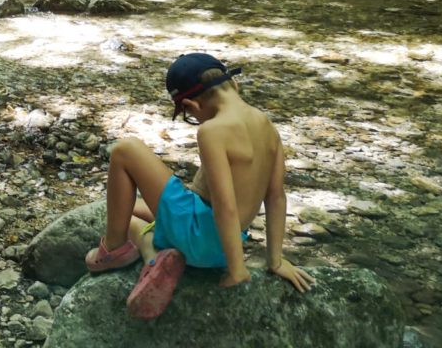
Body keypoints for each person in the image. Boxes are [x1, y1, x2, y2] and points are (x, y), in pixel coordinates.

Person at [84, 52, 315, 319]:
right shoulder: (266, 125)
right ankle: (156, 253)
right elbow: (276, 197)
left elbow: (224, 205)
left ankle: (119, 251)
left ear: (192, 106)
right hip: (225, 244)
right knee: (132, 209)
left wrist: (237, 269)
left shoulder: (212, 131)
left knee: (125, 151)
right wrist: (275, 261)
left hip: (201, 237)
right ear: (234, 85)